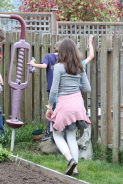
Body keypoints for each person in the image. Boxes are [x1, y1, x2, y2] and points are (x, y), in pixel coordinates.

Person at [28, 35, 95, 141]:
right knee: (70, 128)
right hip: (74, 98)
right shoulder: (79, 64)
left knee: (54, 115)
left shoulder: (54, 62)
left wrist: (33, 64)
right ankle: (66, 139)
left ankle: (51, 135)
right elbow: (91, 57)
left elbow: (46, 70)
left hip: (57, 94)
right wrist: (90, 43)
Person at [45, 38, 91, 176]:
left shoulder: (59, 67)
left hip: (64, 104)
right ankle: (75, 168)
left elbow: (53, 90)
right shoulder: (80, 67)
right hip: (77, 105)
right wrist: (75, 83)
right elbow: (87, 88)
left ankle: (70, 159)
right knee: (71, 136)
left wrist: (49, 107)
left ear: (62, 52)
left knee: (56, 134)